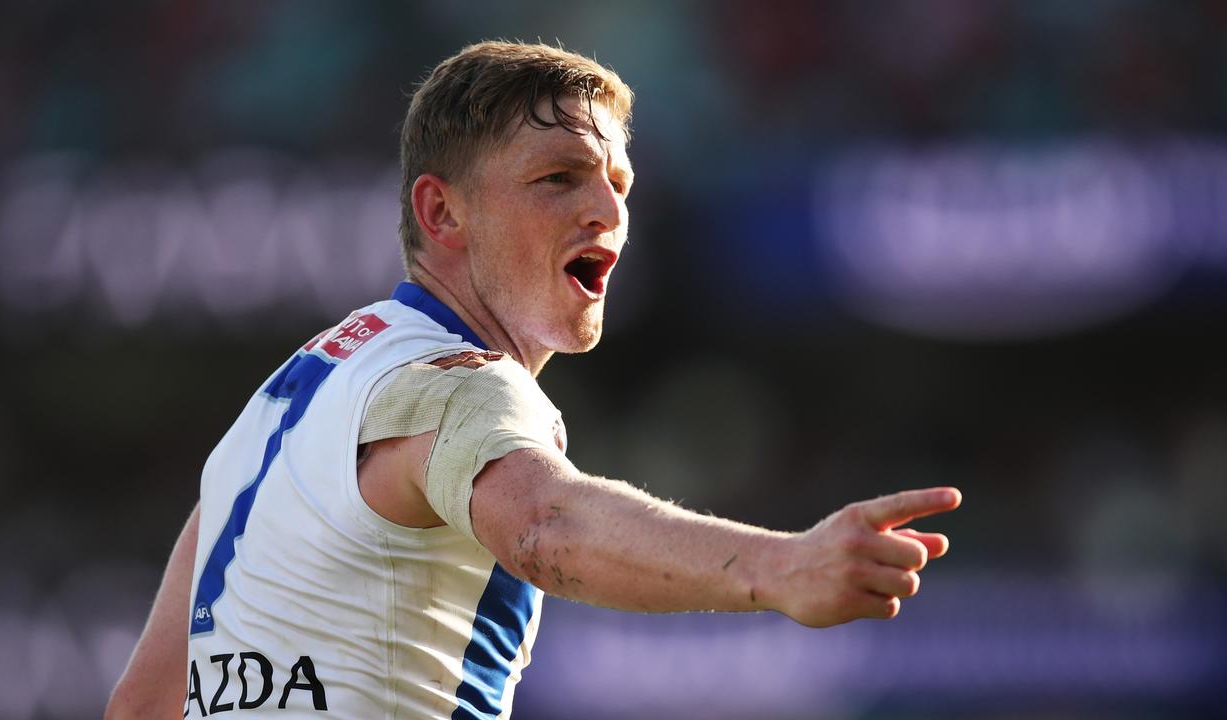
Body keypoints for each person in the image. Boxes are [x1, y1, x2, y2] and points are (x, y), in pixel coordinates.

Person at [105, 40, 961, 720]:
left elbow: (145, 704)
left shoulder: (275, 410)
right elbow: (546, 524)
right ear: (443, 213)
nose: (608, 212)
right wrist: (782, 567)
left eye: (617, 182)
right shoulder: (457, 382)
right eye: (559, 177)